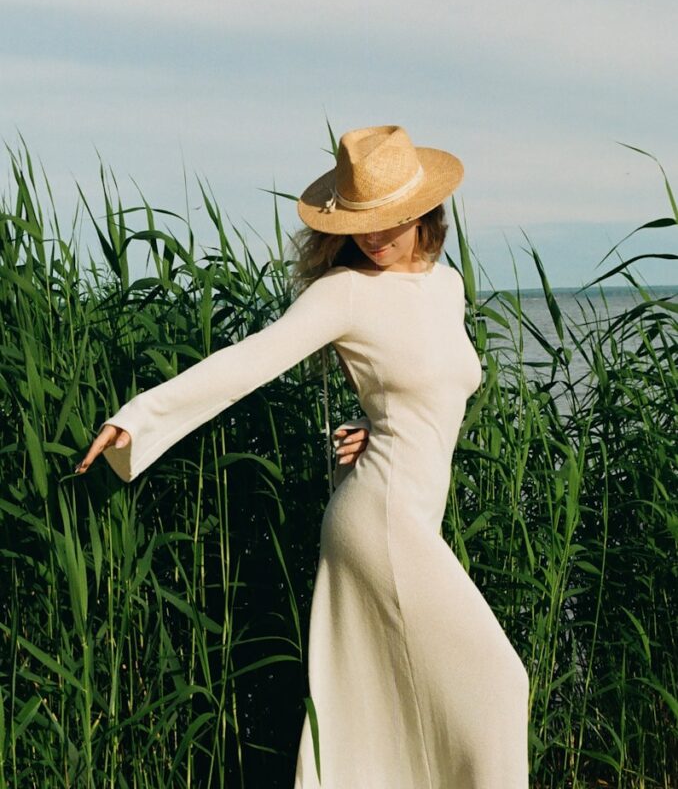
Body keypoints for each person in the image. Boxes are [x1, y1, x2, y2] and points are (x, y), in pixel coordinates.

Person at [76, 124, 530, 788]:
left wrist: (378, 421)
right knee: (500, 681)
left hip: (407, 516)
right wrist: (137, 419)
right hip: (382, 522)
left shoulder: (446, 284)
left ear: (421, 210)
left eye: (387, 220)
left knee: (394, 714)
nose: (372, 236)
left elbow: (423, 384)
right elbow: (246, 363)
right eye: (359, 221)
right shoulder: (343, 292)